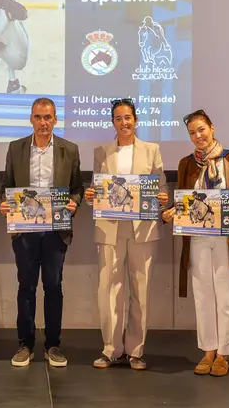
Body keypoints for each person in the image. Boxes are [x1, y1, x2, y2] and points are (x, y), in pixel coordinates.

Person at [161, 109, 229, 377]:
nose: (197, 136)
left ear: (212, 128)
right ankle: (207, 352)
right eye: (192, 132)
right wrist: (170, 212)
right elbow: (181, 200)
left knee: (226, 298)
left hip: (228, 239)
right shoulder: (186, 163)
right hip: (197, 238)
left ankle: (224, 355)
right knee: (203, 296)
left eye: (201, 129)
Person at [82, 98, 170, 370]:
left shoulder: (152, 150)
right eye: (118, 118)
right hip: (110, 227)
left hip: (142, 229)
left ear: (136, 120)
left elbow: (161, 187)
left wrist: (162, 196)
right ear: (113, 122)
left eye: (128, 117)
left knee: (141, 291)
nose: (124, 123)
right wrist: (90, 196)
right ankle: (111, 350)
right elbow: (98, 190)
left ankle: (136, 351)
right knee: (109, 290)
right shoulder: (102, 152)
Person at [0, 97, 84, 367]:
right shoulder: (16, 149)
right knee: (26, 287)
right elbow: (8, 186)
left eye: (48, 117)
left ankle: (53, 345)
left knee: (53, 287)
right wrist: (5, 203)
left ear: (56, 119)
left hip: (56, 230)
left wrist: (74, 204)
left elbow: (77, 188)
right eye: (38, 117)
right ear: (31, 119)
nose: (43, 122)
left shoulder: (69, 150)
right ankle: (25, 344)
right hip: (24, 230)